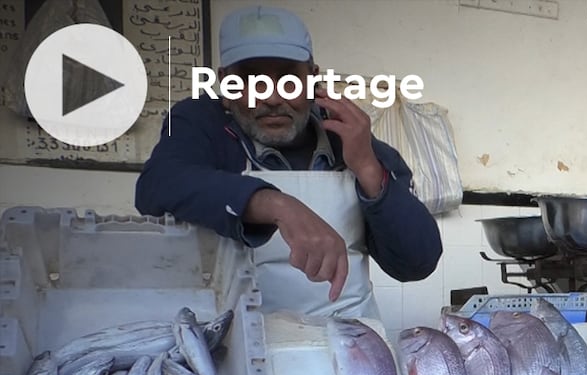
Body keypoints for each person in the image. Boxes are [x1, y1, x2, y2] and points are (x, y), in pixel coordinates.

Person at [135, 5, 441, 319]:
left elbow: (417, 262)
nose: (272, 98)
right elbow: (156, 185)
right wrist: (276, 205)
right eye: (252, 80)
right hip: (237, 347)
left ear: (313, 79)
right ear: (225, 85)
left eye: (288, 79)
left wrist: (367, 167)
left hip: (348, 344)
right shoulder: (201, 120)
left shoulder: (348, 137)